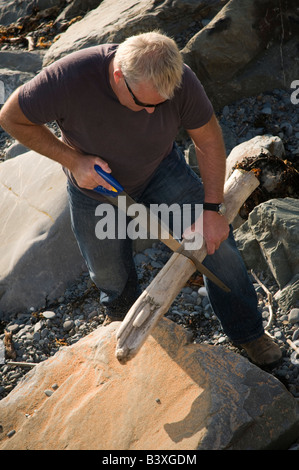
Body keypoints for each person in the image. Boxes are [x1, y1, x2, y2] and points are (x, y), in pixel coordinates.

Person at [0, 31, 282, 368]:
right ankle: (125, 333)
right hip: (97, 188)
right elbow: (11, 117)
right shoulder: (68, 78)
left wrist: (210, 210)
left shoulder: (180, 81)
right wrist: (73, 161)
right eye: (144, 102)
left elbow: (207, 140)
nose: (152, 112)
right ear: (119, 76)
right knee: (109, 276)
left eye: (160, 104)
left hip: (161, 170)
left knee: (218, 248)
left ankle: (248, 334)